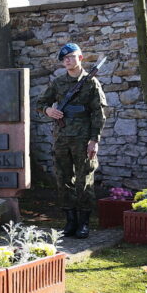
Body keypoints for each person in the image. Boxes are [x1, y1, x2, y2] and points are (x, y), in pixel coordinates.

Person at [36, 43, 106, 239]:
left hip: (83, 140)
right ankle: (70, 221)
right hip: (62, 138)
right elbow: (40, 103)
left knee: (85, 180)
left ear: (80, 58)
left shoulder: (91, 83)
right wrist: (48, 110)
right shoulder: (58, 83)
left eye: (71, 57)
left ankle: (84, 223)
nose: (67, 60)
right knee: (63, 179)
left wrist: (95, 140)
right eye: (64, 58)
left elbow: (98, 114)